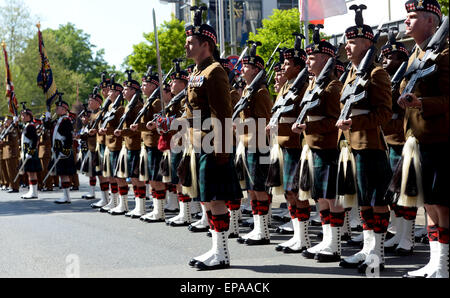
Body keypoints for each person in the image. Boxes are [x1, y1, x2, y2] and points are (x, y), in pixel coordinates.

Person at [337, 5, 393, 273]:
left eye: (352, 41)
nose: (347, 46)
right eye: (346, 41)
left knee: (377, 201)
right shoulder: (350, 74)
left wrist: (355, 123)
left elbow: (384, 113)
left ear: (367, 42)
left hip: (371, 145)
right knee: (364, 202)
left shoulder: (376, 74)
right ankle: (368, 249)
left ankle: (378, 255)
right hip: (352, 146)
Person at [184, 6, 241, 270]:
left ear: (205, 44)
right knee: (206, 198)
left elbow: (222, 114)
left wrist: (222, 150)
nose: (187, 46)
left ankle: (222, 253)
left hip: (212, 144)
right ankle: (215, 249)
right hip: (198, 143)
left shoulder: (215, 71)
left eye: (191, 42)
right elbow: (190, 111)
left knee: (216, 199)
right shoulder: (195, 73)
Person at [398, 0, 448, 278]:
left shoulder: (445, 54)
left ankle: (443, 265)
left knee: (441, 203)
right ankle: (434, 262)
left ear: (432, 21)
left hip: (439, 139)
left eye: (413, 16)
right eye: (407, 16)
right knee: (428, 203)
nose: (407, 21)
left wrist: (421, 102)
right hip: (417, 141)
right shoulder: (415, 55)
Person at [292, 24, 344, 262]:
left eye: (312, 58)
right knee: (320, 197)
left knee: (331, 197)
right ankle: (325, 239)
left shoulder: (333, 86)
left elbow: (335, 120)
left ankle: (334, 244)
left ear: (325, 59)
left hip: (327, 147)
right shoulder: (313, 84)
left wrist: (309, 127)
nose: (308, 62)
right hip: (312, 146)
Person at [267, 33, 311, 254]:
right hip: (283, 144)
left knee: (297, 192)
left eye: (287, 63)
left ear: (298, 66)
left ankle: (303, 238)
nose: (283, 67)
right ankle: (297, 235)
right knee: (288, 193)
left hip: (295, 145)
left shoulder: (303, 86)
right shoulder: (286, 86)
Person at [379, 29, 418, 256]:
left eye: (391, 57)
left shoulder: (406, 81)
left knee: (407, 193)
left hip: (402, 142)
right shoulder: (387, 81)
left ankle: (408, 237)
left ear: (403, 60)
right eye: (384, 56)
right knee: (394, 194)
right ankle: (398, 232)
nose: (385, 61)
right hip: (388, 142)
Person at [234, 42, 273, 245]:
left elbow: (264, 121)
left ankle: (263, 230)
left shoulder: (261, 92)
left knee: (259, 188)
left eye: (247, 66)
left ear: (257, 69)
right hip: (248, 144)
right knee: (251, 189)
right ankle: (258, 227)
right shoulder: (249, 90)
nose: (242, 69)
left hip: (259, 145)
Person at [114, 70, 146, 217]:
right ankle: (131, 205)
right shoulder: (127, 106)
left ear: (134, 91)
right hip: (127, 145)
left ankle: (141, 207)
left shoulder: (138, 106)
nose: (124, 91)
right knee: (132, 177)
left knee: (136, 177)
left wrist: (123, 132)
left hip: (135, 145)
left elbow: (137, 128)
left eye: (127, 89)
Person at [98, 76, 129, 214]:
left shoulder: (121, 108)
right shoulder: (110, 106)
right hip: (109, 144)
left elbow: (119, 127)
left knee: (119, 176)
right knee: (110, 175)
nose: (108, 93)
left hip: (117, 145)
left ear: (117, 93)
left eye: (111, 92)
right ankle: (114, 200)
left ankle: (123, 203)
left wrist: (108, 130)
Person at [52, 94, 77, 204]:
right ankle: (65, 195)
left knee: (65, 174)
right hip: (59, 149)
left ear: (64, 109)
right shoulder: (60, 120)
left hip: (63, 150)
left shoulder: (66, 120)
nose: (56, 109)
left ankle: (66, 196)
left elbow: (68, 136)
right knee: (62, 174)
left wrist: (65, 150)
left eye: (58, 108)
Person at [20, 104, 43, 200]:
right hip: (27, 152)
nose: (22, 117)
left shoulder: (31, 126)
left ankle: (34, 192)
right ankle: (32, 191)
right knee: (30, 172)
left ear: (29, 116)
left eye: (23, 115)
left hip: (30, 152)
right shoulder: (27, 125)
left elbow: (34, 139)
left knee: (32, 172)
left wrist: (31, 151)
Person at [0, 115, 20, 193]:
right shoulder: (6, 130)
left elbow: (14, 142)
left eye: (6, 120)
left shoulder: (13, 129)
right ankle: (11, 185)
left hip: (11, 153)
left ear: (10, 121)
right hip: (6, 153)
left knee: (13, 171)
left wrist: (4, 142)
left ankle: (15, 187)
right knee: (9, 172)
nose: (5, 122)